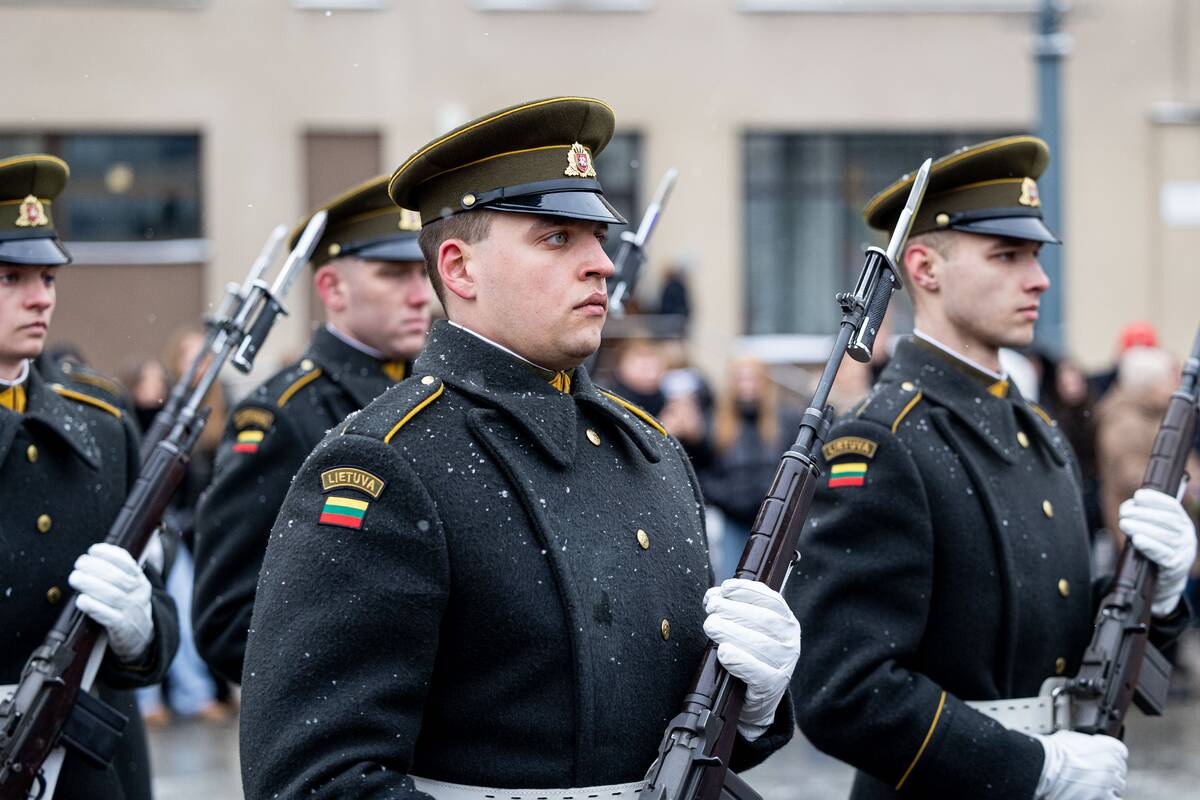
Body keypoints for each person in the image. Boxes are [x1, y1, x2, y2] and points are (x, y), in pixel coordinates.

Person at [238, 97, 801, 799]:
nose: (601, 262)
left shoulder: (649, 448)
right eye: (557, 237)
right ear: (460, 269)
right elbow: (314, 782)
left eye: (598, 236)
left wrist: (748, 708)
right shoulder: (387, 465)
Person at [784, 136, 1196, 800]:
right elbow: (845, 691)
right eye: (1006, 256)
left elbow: (1074, 644)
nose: (1037, 279)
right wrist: (1034, 768)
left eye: (1034, 256)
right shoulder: (885, 441)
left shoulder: (1038, 433)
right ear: (924, 267)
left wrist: (1160, 594)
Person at [192, 175, 433, 684]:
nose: (420, 296)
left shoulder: (436, 395)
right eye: (394, 274)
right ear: (332, 288)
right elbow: (229, 623)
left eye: (422, 272)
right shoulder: (285, 415)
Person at [0, 154, 178, 798]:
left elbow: (157, 602)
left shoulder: (101, 422)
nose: (40, 296)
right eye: (10, 276)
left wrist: (141, 630)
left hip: (89, 767)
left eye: (47, 276)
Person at [701, 356, 802, 579]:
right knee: (731, 580)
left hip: (775, 519)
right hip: (733, 519)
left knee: (773, 584)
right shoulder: (714, 422)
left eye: (752, 378)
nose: (747, 385)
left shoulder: (785, 419)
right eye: (741, 379)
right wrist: (727, 498)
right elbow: (704, 470)